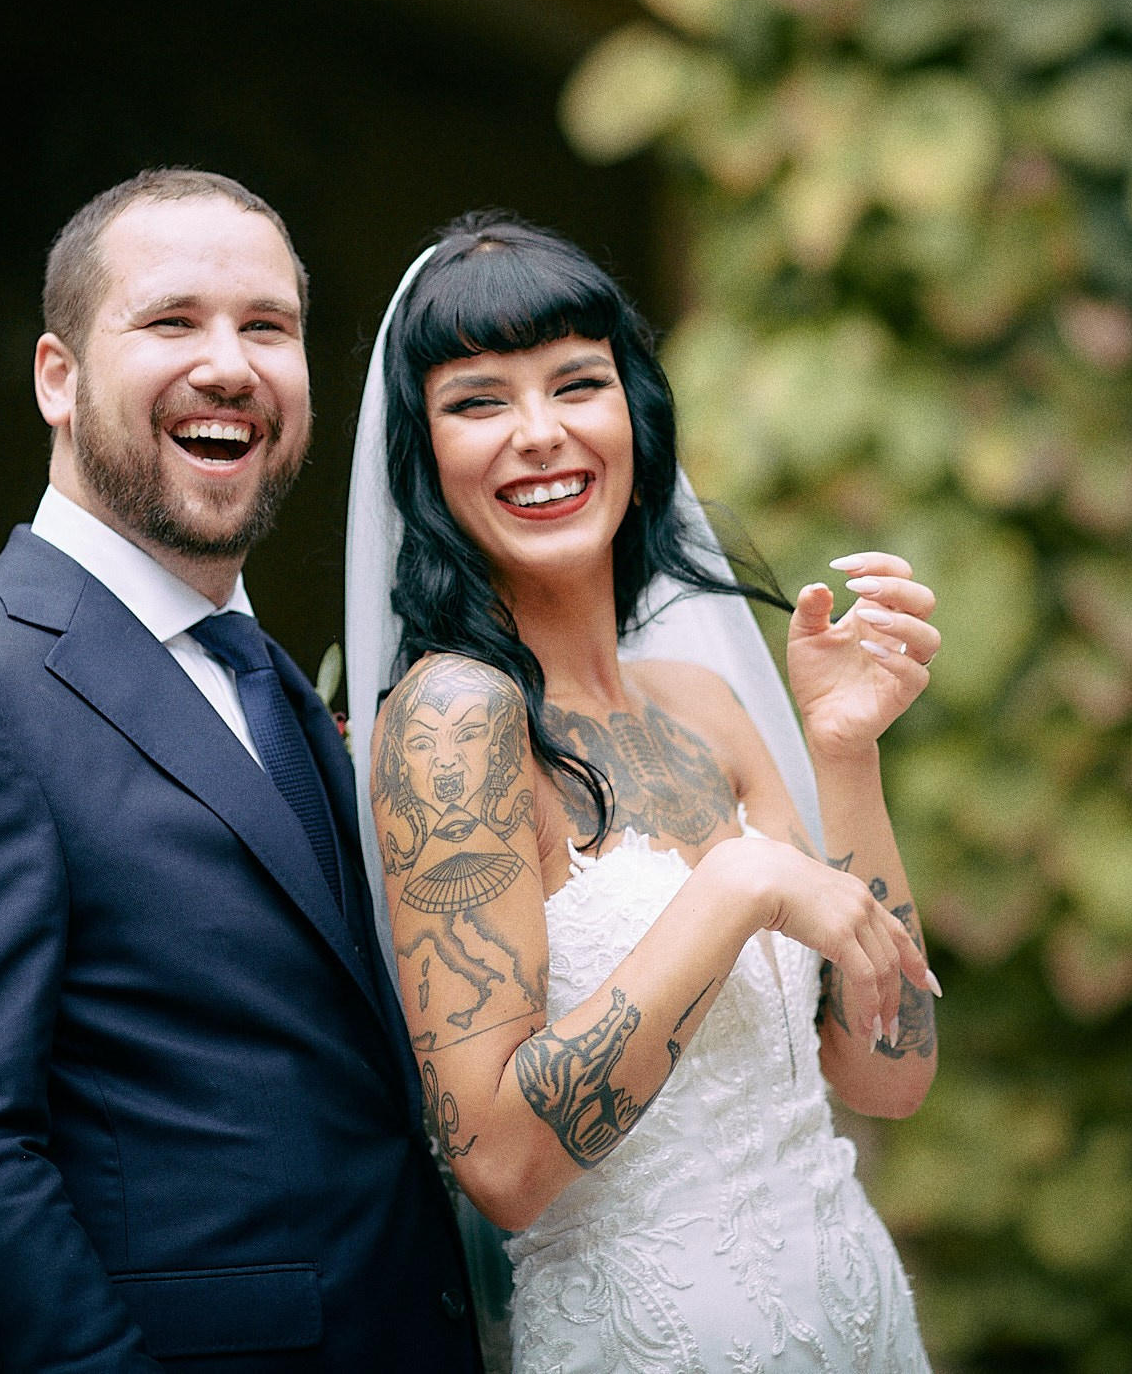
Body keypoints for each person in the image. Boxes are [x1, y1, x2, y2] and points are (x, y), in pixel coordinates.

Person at [0, 170, 481, 1373]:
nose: (228, 365)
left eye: (266, 327)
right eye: (171, 321)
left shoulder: (272, 680)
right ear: (55, 379)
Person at [344, 213, 942, 1374]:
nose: (539, 434)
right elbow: (503, 1167)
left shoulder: (705, 708)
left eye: (577, 383)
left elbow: (889, 1070)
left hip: (861, 1325)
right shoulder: (456, 724)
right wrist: (733, 886)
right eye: (477, 401)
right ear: (423, 457)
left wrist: (844, 755)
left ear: (633, 414)